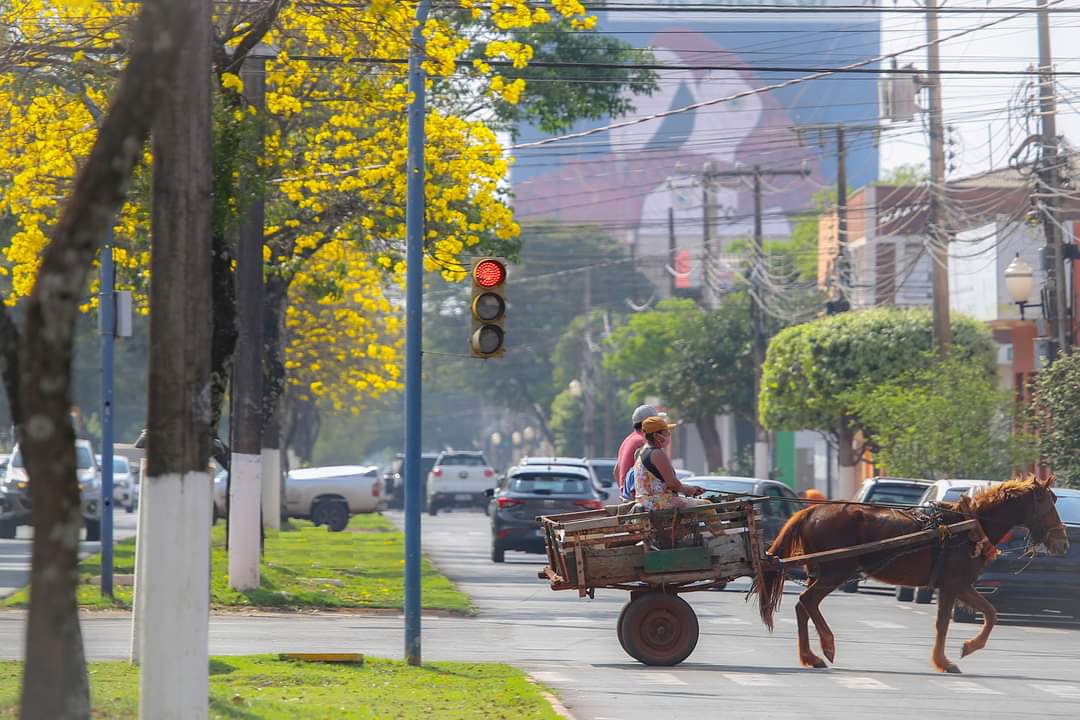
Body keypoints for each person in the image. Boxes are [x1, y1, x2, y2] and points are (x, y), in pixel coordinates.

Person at [633, 416, 709, 511]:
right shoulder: (656, 453)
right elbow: (673, 484)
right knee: (707, 506)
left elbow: (664, 484)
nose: (669, 435)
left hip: (646, 502)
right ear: (656, 435)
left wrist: (689, 488)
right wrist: (689, 490)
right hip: (658, 503)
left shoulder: (641, 452)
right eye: (666, 432)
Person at [615, 404, 656, 501]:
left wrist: (624, 491)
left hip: (628, 496)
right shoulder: (643, 441)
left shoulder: (628, 440)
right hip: (639, 497)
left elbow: (616, 470)